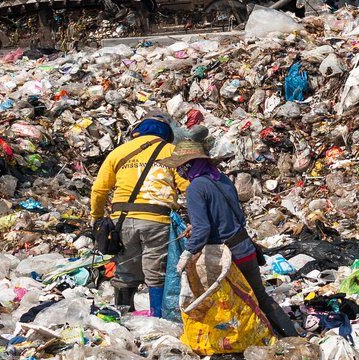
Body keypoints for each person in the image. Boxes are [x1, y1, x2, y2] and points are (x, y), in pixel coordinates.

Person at [162, 133, 299, 337]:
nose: (178, 171)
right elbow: (223, 214)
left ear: (189, 165)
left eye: (180, 166)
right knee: (259, 296)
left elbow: (203, 229)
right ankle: (291, 336)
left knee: (232, 303)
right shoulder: (221, 178)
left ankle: (255, 339)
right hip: (246, 247)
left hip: (229, 256)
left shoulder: (195, 188)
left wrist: (187, 253)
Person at [90, 114, 185, 316]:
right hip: (157, 220)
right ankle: (157, 317)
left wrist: (97, 218)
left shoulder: (119, 152)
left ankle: (123, 316)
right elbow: (188, 185)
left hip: (121, 220)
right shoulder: (172, 151)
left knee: (125, 269)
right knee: (156, 274)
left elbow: (99, 190)